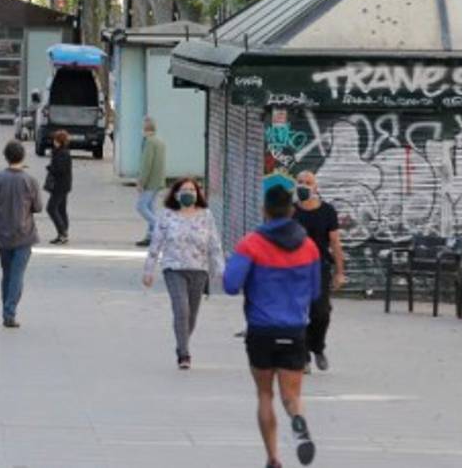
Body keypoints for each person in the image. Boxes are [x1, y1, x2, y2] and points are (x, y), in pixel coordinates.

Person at [224, 183, 322, 468]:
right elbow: (315, 292)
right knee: (291, 396)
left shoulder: (251, 243)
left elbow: (230, 285)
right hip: (294, 330)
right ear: (292, 210)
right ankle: (298, 420)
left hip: (261, 330)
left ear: (264, 210)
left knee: (265, 394)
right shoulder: (309, 247)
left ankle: (273, 458)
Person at [142, 178, 224, 369]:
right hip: (174, 268)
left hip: (199, 270)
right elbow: (156, 243)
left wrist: (221, 270)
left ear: (198, 194)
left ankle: (182, 342)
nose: (188, 193)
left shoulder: (206, 215)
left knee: (191, 316)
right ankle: (184, 353)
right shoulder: (167, 216)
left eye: (192, 189)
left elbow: (214, 245)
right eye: (184, 189)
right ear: (176, 194)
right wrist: (149, 269)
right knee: (181, 309)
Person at [0, 140, 42, 328]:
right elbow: (38, 207)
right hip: (24, 235)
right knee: (17, 274)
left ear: (6, 157)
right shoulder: (30, 181)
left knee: (7, 273)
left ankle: (6, 310)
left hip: (2, 234)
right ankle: (10, 311)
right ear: (22, 157)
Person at [294, 170, 346, 374]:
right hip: (295, 270)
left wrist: (339, 271)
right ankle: (303, 355)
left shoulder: (327, 211)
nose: (304, 186)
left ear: (316, 187)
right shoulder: (290, 212)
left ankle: (318, 347)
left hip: (320, 268)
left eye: (308, 182)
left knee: (321, 312)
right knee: (299, 313)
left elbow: (334, 242)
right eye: (300, 182)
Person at [135, 117, 166, 247]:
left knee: (141, 206)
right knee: (151, 207)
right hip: (158, 180)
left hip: (150, 181)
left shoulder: (149, 142)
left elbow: (146, 164)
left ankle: (159, 228)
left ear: (146, 129)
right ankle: (151, 236)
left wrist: (141, 181)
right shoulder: (160, 142)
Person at [45, 130, 73, 244]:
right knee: (61, 209)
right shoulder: (61, 152)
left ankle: (62, 232)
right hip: (64, 185)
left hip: (59, 185)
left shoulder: (62, 153)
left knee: (51, 208)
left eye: (55, 140)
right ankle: (63, 233)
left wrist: (50, 168)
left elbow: (60, 170)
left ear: (59, 141)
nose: (53, 142)